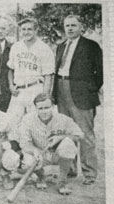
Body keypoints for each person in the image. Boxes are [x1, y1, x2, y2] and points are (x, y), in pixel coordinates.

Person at [52, 15, 103, 185]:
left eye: (74, 25)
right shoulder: (60, 46)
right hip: (61, 89)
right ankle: (70, 170)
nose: (70, 29)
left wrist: (89, 90)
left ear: (81, 27)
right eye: (67, 26)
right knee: (67, 132)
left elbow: (100, 73)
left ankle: (89, 174)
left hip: (81, 94)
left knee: (85, 135)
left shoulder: (91, 46)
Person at [19, 93, 84, 195]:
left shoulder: (63, 119)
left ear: (53, 106)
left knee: (68, 144)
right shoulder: (27, 120)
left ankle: (61, 182)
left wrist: (61, 137)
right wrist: (34, 150)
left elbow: (79, 135)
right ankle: (40, 177)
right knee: (27, 161)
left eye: (47, 107)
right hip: (39, 155)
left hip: (57, 155)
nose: (44, 111)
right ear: (35, 108)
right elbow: (24, 143)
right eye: (40, 108)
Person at [6, 18, 54, 133]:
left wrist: (45, 96)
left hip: (35, 88)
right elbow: (10, 69)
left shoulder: (44, 48)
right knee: (12, 123)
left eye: (29, 29)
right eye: (23, 29)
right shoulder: (16, 47)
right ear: (20, 31)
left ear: (36, 30)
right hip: (19, 90)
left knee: (36, 124)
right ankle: (17, 149)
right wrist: (11, 86)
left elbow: (48, 75)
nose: (26, 32)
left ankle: (35, 149)